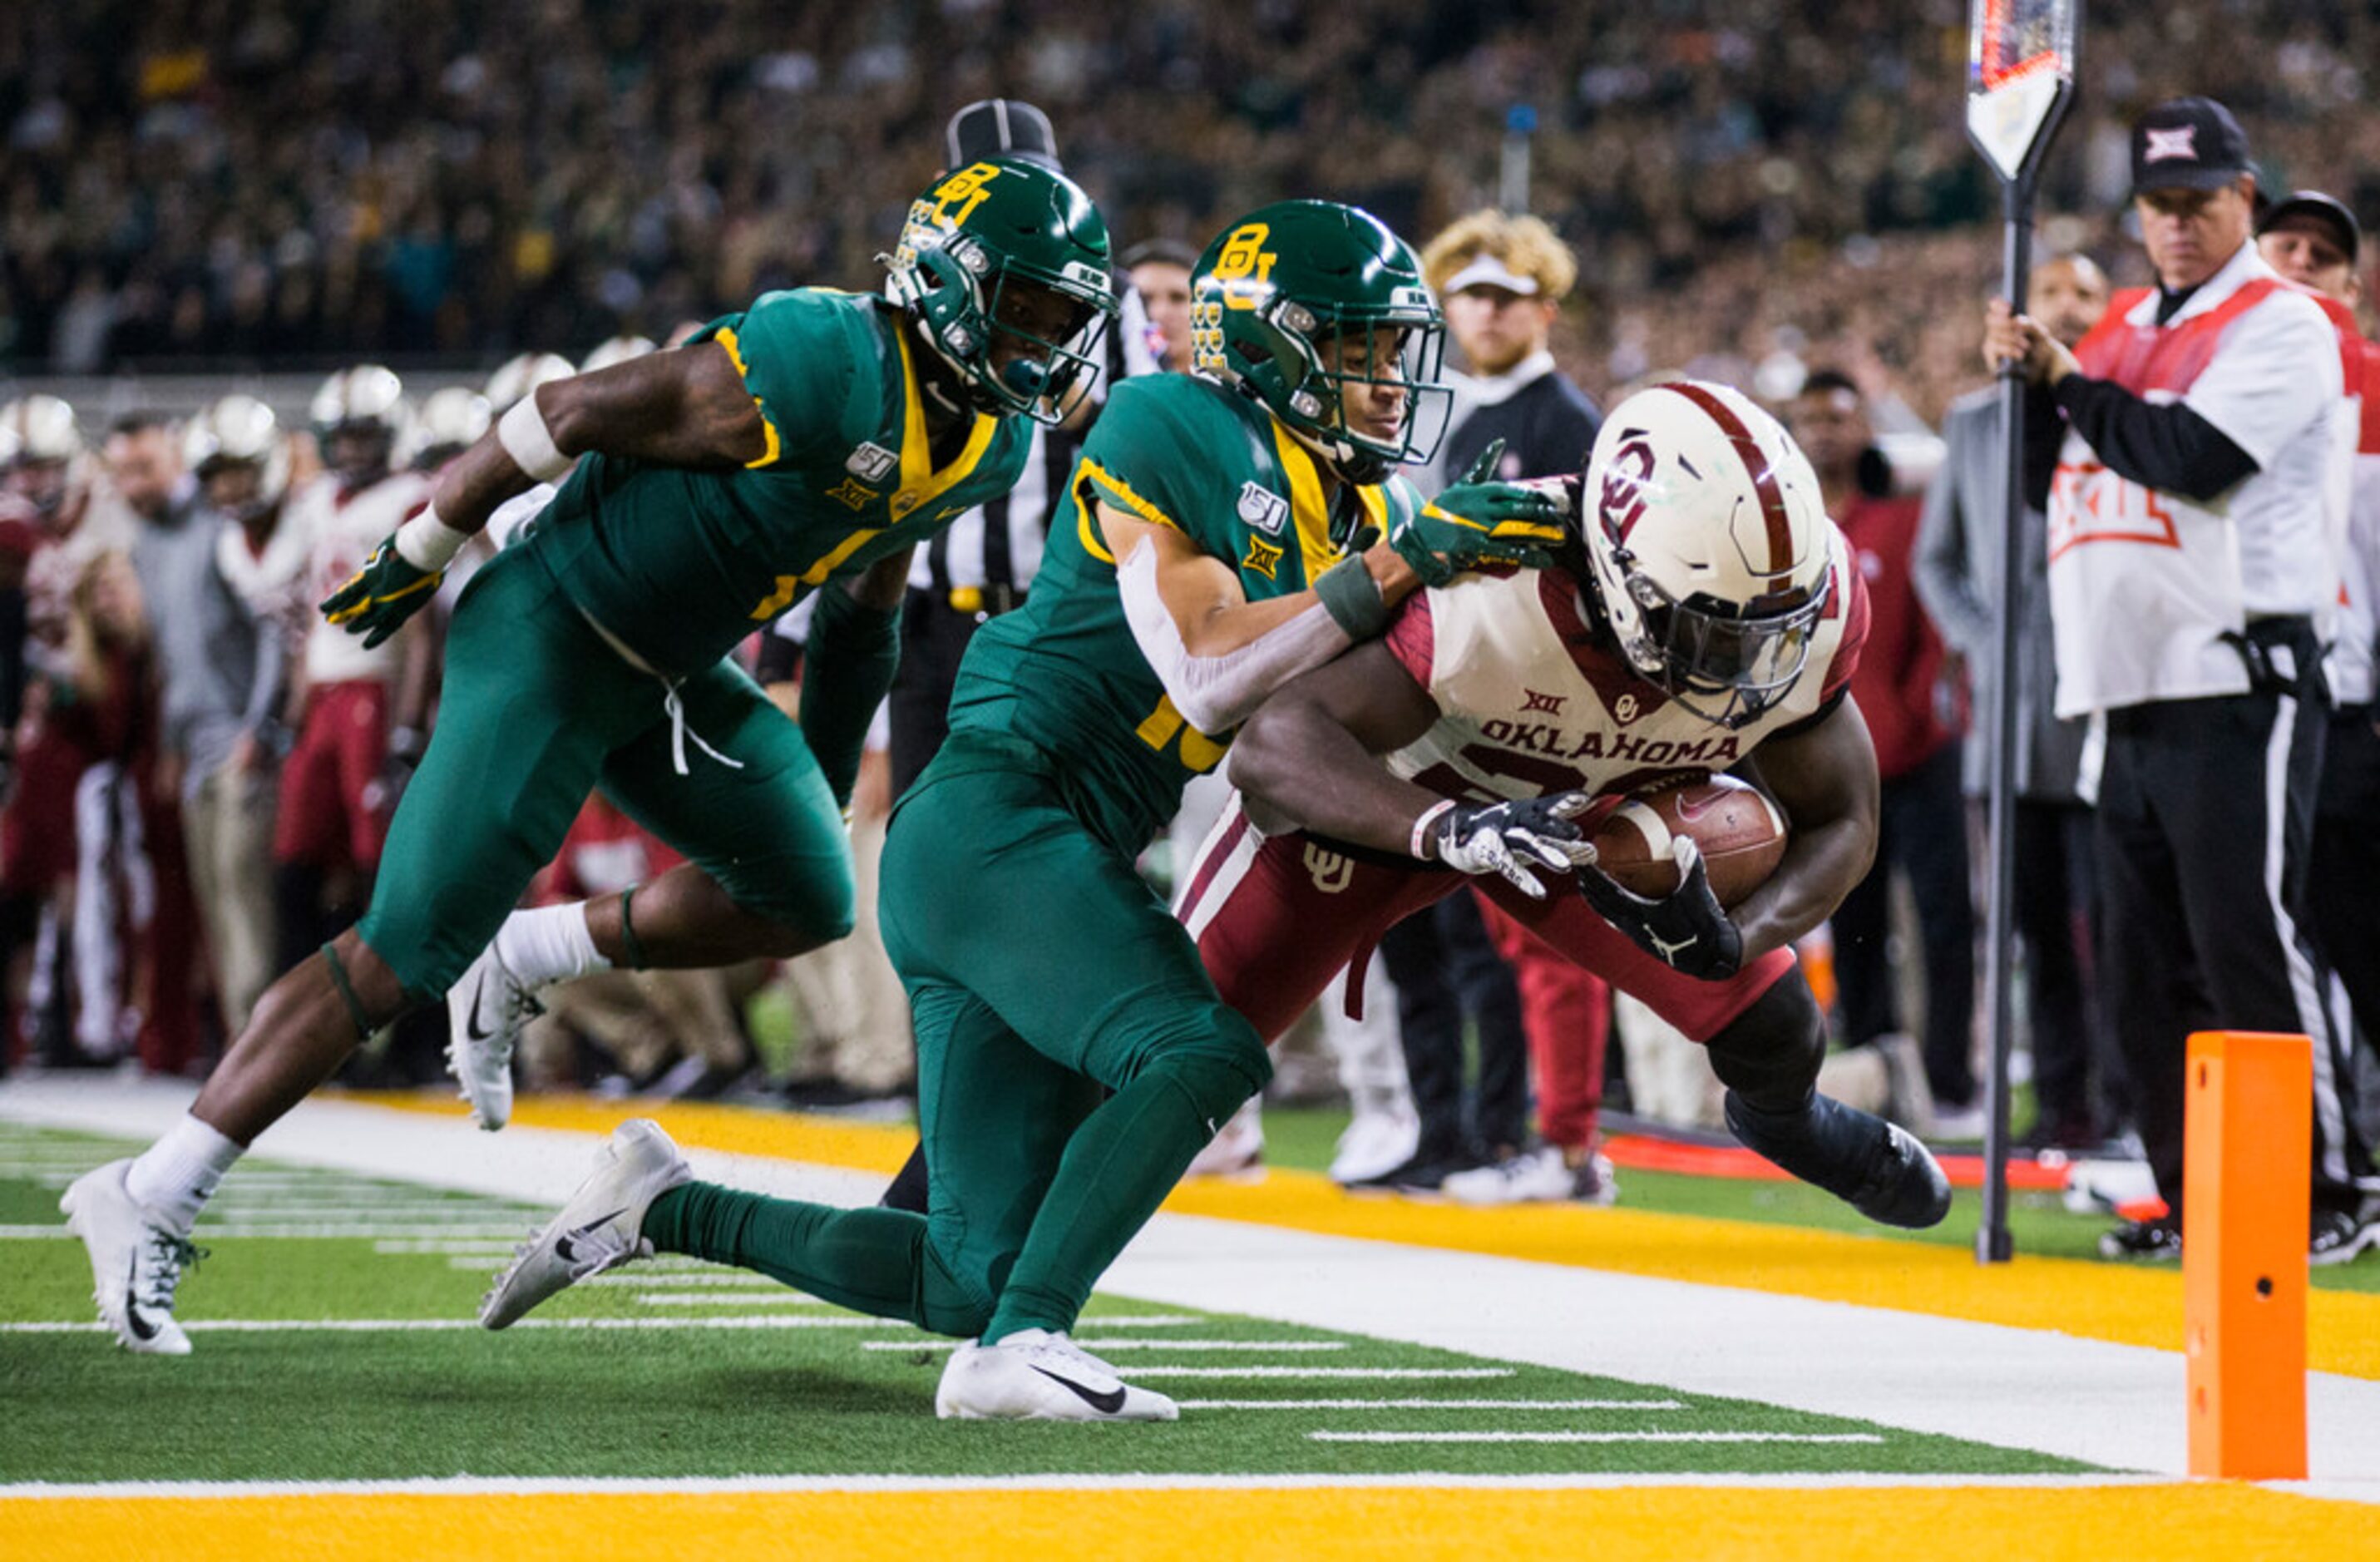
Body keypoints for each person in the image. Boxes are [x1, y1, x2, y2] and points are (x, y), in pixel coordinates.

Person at [476, 200, 1567, 1421]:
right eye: (1361, 346)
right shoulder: (1174, 419)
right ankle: (1028, 1341)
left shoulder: (1352, 511)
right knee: (1199, 1050)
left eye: (1391, 349)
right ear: (1271, 340)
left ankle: (658, 1203)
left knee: (960, 1270)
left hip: (1049, 848)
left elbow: (1310, 719)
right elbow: (1204, 665)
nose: (1386, 380)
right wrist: (1404, 565)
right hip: (1001, 815)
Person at [60, 156, 1122, 1355]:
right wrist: (423, 542)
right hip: (555, 630)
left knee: (812, 889)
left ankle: (526, 951)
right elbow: (562, 415)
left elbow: (863, 613)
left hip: (674, 669)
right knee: (402, 946)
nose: (1043, 341)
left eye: (1063, 318)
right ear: (944, 278)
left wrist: (818, 781)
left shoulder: (980, 442)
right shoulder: (823, 356)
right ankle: (153, 1188)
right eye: (1026, 306)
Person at [1179, 379, 1950, 1234]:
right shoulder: (1497, 590)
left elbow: (1847, 819)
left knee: (1775, 1026)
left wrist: (1739, 938)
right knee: (1176, 1052)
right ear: (1622, 573)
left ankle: (1788, 1123)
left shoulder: (1799, 601)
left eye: (1770, 628)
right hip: (1406, 796)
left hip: (1582, 818)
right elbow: (1276, 743)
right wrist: (1441, 828)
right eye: (1715, 631)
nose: (1748, 663)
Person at [1986, 97, 2373, 1262]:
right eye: (2156, 206)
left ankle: (2322, 1183)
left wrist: (2062, 379)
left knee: (2246, 941)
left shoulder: (2283, 321)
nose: (2175, 225)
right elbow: (2037, 491)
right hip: (2121, 686)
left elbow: (2191, 460)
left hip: (2234, 675)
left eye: (2196, 202)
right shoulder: (2112, 328)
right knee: (2143, 971)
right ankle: (2195, 1192)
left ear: (2240, 199)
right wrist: (2024, 388)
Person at [1418, 209, 1615, 1205]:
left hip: (1542, 699)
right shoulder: (1462, 416)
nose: (1485, 312)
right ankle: (1511, 1136)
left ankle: (1570, 1146)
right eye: (1470, 294)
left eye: (1504, 295)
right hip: (1480, 701)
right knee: (1495, 937)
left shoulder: (1564, 420)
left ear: (1544, 306)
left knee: (1549, 931)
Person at [1915, 255, 2115, 1149]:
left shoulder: (2118, 417)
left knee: (2111, 927)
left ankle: (2126, 1103)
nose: (2067, 308)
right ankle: (2064, 1106)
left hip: (2106, 715)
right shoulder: (1972, 424)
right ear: (2018, 314)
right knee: (2034, 929)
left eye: (2086, 294)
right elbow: (1936, 559)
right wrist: (1980, 637)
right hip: (2007, 723)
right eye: (2053, 295)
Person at [1790, 369, 1975, 1134]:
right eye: (1810, 420)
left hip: (1920, 752)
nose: (1824, 432)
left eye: (1838, 416)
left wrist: (1921, 712)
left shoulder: (1906, 509)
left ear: (1865, 424)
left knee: (1944, 918)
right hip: (1833, 763)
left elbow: (1938, 624)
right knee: (1854, 920)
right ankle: (1870, 1069)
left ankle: (1951, 1079)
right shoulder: (1789, 523)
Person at [2254, 189, 2380, 1234]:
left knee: (2341, 948)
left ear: (2352, 287)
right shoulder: (2212, 378)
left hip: (2349, 712)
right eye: (2284, 244)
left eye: (2323, 255)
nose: (2300, 261)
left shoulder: (2372, 389)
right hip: (2249, 702)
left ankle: (2334, 1179)